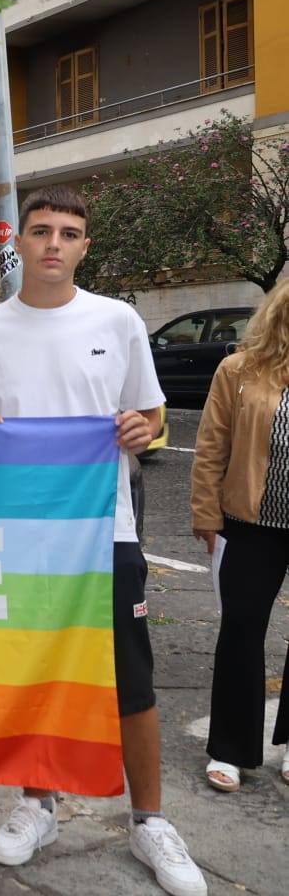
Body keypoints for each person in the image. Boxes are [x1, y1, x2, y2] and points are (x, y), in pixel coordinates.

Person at [0, 186, 205, 896]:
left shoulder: (116, 320)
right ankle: (37, 804)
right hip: (18, 535)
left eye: (67, 232)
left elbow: (151, 416)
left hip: (104, 529)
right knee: (32, 672)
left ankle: (150, 820)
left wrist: (141, 429)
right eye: (41, 231)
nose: (53, 243)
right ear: (18, 243)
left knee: (131, 677)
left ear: (85, 246)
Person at [191, 281, 289, 794]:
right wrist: (206, 515)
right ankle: (230, 749)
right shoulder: (238, 370)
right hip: (250, 524)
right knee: (241, 632)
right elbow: (212, 447)